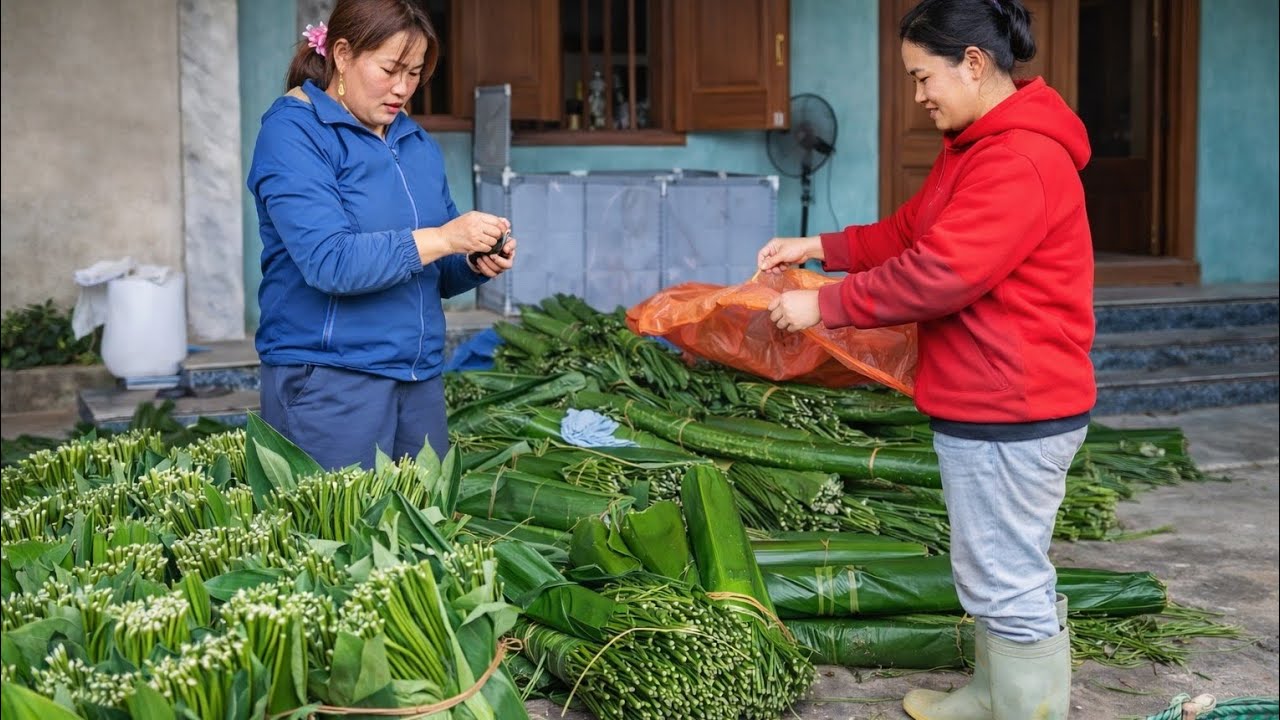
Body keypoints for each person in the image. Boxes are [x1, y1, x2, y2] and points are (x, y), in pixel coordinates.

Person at [756, 0, 1090, 717]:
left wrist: (828, 305)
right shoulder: (974, 147)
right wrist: (820, 249)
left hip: (1015, 405)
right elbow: (913, 232)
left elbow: (942, 272)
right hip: (986, 400)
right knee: (988, 570)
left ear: (972, 63)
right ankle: (993, 694)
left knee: (1009, 578)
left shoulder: (1021, 158)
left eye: (921, 77)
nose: (918, 96)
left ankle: (1029, 708)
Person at [248, 0, 516, 470]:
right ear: (344, 54)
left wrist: (471, 260)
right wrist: (448, 238)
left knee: (420, 531)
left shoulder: (414, 142)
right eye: (391, 68)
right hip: (331, 381)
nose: (402, 89)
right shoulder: (294, 134)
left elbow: (435, 264)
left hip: (417, 379)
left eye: (414, 74)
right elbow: (331, 262)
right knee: (334, 534)